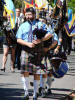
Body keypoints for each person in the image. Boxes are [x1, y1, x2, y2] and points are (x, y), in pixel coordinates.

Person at [16, 7, 53, 100]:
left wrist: (41, 39)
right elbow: (18, 39)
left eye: (30, 15)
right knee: (25, 72)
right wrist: (27, 43)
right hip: (26, 50)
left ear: (34, 14)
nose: (28, 16)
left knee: (37, 72)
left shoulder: (41, 24)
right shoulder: (22, 25)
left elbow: (50, 33)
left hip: (38, 51)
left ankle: (35, 94)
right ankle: (26, 92)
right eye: (27, 15)